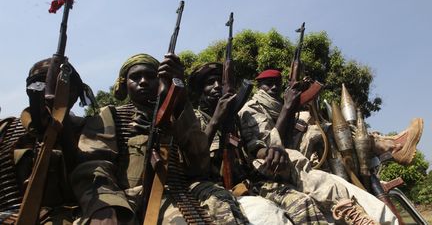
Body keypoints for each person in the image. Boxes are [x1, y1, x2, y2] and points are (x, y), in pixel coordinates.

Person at [70, 53, 249, 225]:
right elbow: (93, 166)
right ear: (124, 84)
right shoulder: (111, 115)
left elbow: (199, 164)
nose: (143, 81)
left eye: (151, 76)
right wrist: (105, 205)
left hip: (181, 195)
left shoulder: (178, 116)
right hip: (129, 197)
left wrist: (180, 100)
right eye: (135, 77)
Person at [238, 69, 402, 224]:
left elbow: (291, 137)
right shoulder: (251, 109)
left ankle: (387, 145)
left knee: (319, 128)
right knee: (304, 166)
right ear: (259, 86)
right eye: (268, 83)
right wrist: (288, 106)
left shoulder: (278, 105)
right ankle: (347, 208)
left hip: (293, 158)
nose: (274, 87)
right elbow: (272, 148)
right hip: (270, 165)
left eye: (277, 83)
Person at [188, 62, 328, 225]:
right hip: (209, 183)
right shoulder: (193, 118)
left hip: (247, 182)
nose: (217, 86)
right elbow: (194, 160)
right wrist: (216, 120)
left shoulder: (237, 121)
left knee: (302, 203)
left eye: (221, 81)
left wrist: (272, 151)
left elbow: (255, 148)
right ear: (199, 91)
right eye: (210, 83)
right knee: (226, 213)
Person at [0, 58, 90, 224]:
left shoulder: (90, 130)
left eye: (59, 84)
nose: (49, 91)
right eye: (39, 83)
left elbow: (95, 180)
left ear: (74, 92)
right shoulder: (7, 130)